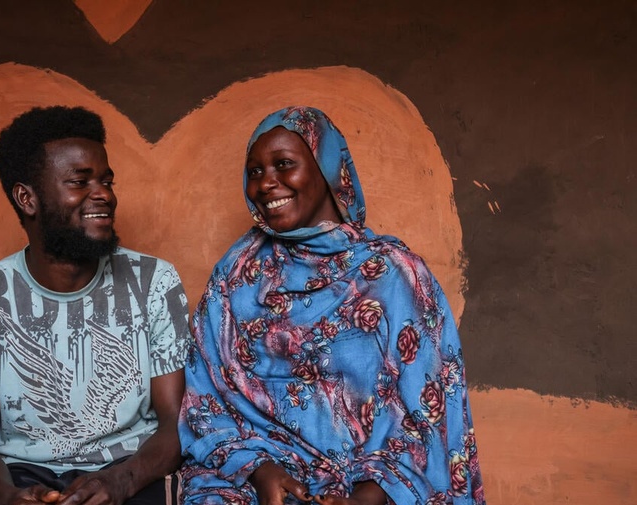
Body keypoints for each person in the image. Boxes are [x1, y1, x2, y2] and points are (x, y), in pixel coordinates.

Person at [178, 106, 485, 505]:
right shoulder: (236, 273)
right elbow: (204, 398)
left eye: (283, 164)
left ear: (326, 170)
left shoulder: (394, 275)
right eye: (254, 171)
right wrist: (260, 472)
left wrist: (366, 498)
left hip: (372, 487)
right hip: (253, 479)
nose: (266, 183)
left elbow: (426, 412)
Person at [0, 106, 189, 505]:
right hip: (20, 475)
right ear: (27, 198)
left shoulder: (154, 282)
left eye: (106, 181)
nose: (104, 194)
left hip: (131, 470)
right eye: (79, 181)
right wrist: (8, 498)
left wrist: (121, 483)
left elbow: (176, 423)